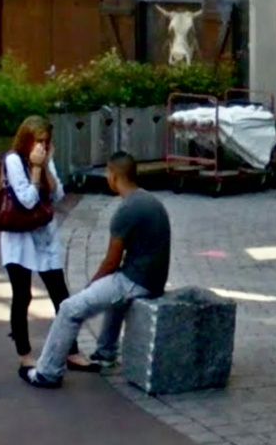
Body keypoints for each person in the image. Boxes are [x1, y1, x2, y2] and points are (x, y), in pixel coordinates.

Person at [20, 151, 171, 389]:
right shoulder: (150, 201)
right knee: (114, 295)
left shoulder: (125, 211)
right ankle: (105, 353)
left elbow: (111, 261)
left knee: (70, 308)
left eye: (108, 174)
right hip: (153, 280)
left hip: (136, 281)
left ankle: (47, 372)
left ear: (114, 176)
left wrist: (91, 285)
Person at [0, 115, 96, 372]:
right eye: (38, 141)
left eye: (46, 141)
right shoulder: (13, 160)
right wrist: (35, 169)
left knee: (60, 294)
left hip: (44, 234)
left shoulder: (45, 158)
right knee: (23, 295)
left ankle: (71, 351)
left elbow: (58, 195)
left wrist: (46, 167)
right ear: (26, 140)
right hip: (19, 237)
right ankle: (24, 354)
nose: (42, 146)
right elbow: (27, 200)